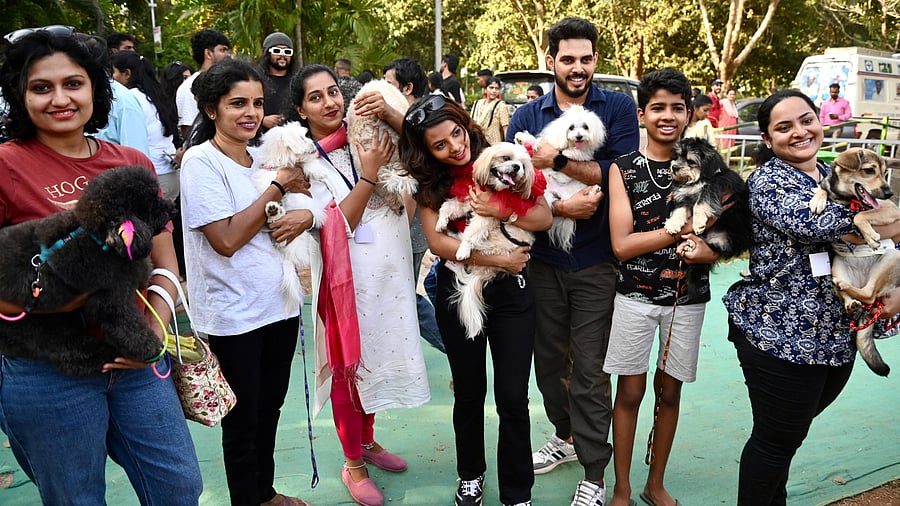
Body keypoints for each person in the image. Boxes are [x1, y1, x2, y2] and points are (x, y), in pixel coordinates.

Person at [0, 26, 201, 504]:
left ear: (94, 88)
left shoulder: (130, 162)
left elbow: (164, 257)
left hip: (134, 357)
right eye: (41, 87)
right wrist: (42, 300)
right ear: (20, 95)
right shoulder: (6, 164)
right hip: (46, 369)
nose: (59, 99)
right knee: (76, 497)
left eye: (73, 83)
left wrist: (153, 330)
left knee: (178, 487)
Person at [722, 89, 900, 505]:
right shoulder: (768, 181)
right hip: (781, 333)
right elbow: (814, 223)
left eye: (806, 120)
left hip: (837, 334)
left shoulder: (830, 171)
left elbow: (889, 222)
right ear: (766, 140)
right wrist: (883, 222)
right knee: (775, 440)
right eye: (784, 127)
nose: (799, 132)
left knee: (788, 436)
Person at [505, 16, 640, 506]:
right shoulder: (525, 118)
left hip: (598, 260)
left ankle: (594, 470)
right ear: (550, 61)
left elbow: (620, 173)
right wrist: (560, 205)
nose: (577, 67)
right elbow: (512, 189)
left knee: (589, 369)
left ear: (595, 61)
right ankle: (564, 436)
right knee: (547, 364)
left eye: (586, 58)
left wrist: (556, 162)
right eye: (568, 59)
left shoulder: (619, 107)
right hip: (540, 260)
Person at [400, 93, 552, 506]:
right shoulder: (432, 183)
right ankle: (470, 475)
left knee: (513, 396)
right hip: (459, 286)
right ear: (427, 151)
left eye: (455, 133)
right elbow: (437, 241)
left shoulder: (503, 157)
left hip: (513, 295)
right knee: (468, 393)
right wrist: (499, 261)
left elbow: (544, 217)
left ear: (465, 123)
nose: (455, 146)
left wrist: (501, 210)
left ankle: (518, 492)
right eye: (440, 145)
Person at [290, 64, 430, 506]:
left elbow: (426, 154)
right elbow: (337, 222)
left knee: (378, 357)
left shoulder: (367, 135)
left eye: (334, 92)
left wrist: (391, 115)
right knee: (348, 367)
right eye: (316, 97)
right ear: (300, 109)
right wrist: (369, 175)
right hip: (345, 281)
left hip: (389, 273)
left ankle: (368, 441)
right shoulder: (302, 161)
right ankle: (353, 463)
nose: (330, 102)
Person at [179, 58, 312, 506]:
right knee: (243, 421)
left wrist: (295, 203)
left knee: (270, 409)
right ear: (211, 109)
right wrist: (277, 188)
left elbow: (299, 204)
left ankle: (265, 493)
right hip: (233, 315)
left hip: (280, 305)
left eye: (256, 103)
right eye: (237, 104)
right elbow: (227, 239)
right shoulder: (201, 162)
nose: (251, 113)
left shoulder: (263, 157)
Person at [605, 68, 717, 506]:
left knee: (670, 392)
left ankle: (655, 484)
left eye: (677, 108)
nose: (667, 116)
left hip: (687, 298)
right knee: (630, 392)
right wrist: (679, 231)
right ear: (642, 114)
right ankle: (622, 487)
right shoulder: (624, 169)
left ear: (688, 114)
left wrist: (711, 251)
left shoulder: (709, 167)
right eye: (658, 108)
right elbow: (622, 245)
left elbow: (723, 235)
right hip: (634, 296)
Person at [382, 57, 445, 353]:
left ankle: (453, 349)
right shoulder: (408, 120)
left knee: (404, 295)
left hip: (413, 227)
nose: (382, 90)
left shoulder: (422, 120)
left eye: (389, 84)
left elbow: (412, 175)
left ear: (407, 88)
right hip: (404, 226)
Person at [110, 51, 179, 200]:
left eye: (113, 72)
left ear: (127, 74)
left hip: (152, 175)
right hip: (171, 173)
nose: (111, 79)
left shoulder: (130, 98)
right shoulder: (156, 95)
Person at [176, 29, 231, 141]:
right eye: (222, 50)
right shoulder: (188, 87)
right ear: (208, 53)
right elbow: (188, 130)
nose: (228, 55)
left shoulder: (230, 82)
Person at [470, 76, 510, 145]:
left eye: (496, 88)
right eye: (491, 88)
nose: (494, 91)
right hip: (476, 144)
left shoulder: (501, 106)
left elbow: (505, 129)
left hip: (493, 146)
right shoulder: (477, 104)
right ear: (485, 89)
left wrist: (508, 147)